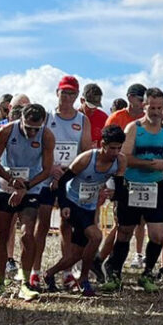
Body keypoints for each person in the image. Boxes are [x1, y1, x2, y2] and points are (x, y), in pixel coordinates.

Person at [100, 87, 163, 292]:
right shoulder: (134, 128)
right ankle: (114, 271)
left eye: (160, 108)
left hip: (156, 186)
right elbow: (124, 157)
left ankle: (147, 273)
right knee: (124, 232)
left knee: (157, 234)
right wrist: (149, 164)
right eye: (152, 107)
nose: (156, 112)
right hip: (132, 184)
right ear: (144, 106)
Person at [43, 125, 126, 296]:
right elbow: (62, 182)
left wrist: (114, 193)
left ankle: (49, 274)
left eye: (119, 148)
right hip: (73, 203)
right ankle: (84, 278)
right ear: (102, 144)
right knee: (96, 237)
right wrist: (64, 205)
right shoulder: (86, 159)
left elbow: (120, 189)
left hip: (89, 206)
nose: (115, 152)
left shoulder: (120, 161)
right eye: (112, 148)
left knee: (76, 255)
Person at [0, 103, 54, 300]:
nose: (32, 132)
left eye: (36, 129)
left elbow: (47, 169)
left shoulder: (47, 136)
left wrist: (25, 187)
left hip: (31, 187)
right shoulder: (7, 131)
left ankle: (25, 281)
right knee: (2, 234)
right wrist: (11, 181)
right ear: (21, 120)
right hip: (6, 186)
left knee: (27, 234)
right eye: (28, 127)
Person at [31, 75, 92, 289]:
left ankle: (66, 272)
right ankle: (35, 271)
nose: (67, 97)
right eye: (63, 92)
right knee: (43, 224)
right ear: (57, 93)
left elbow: (85, 149)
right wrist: (52, 167)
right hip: (48, 177)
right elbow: (37, 146)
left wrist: (71, 169)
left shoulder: (82, 120)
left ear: (77, 96)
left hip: (70, 179)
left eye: (71, 93)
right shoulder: (47, 117)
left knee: (67, 225)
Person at [99, 84, 148, 275]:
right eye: (139, 98)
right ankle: (103, 259)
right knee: (122, 221)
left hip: (140, 174)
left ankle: (105, 259)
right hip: (118, 172)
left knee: (134, 221)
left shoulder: (146, 120)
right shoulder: (117, 117)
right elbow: (105, 144)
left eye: (144, 99)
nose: (142, 102)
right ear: (129, 98)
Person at [80, 83, 108, 148]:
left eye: (95, 106)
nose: (92, 109)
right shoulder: (72, 117)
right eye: (90, 106)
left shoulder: (104, 118)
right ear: (82, 101)